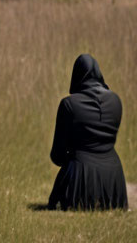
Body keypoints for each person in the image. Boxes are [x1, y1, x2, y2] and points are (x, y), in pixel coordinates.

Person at [47, 54, 128, 211]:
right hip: (113, 181)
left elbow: (57, 156)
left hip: (79, 181)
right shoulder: (116, 101)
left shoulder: (68, 104)